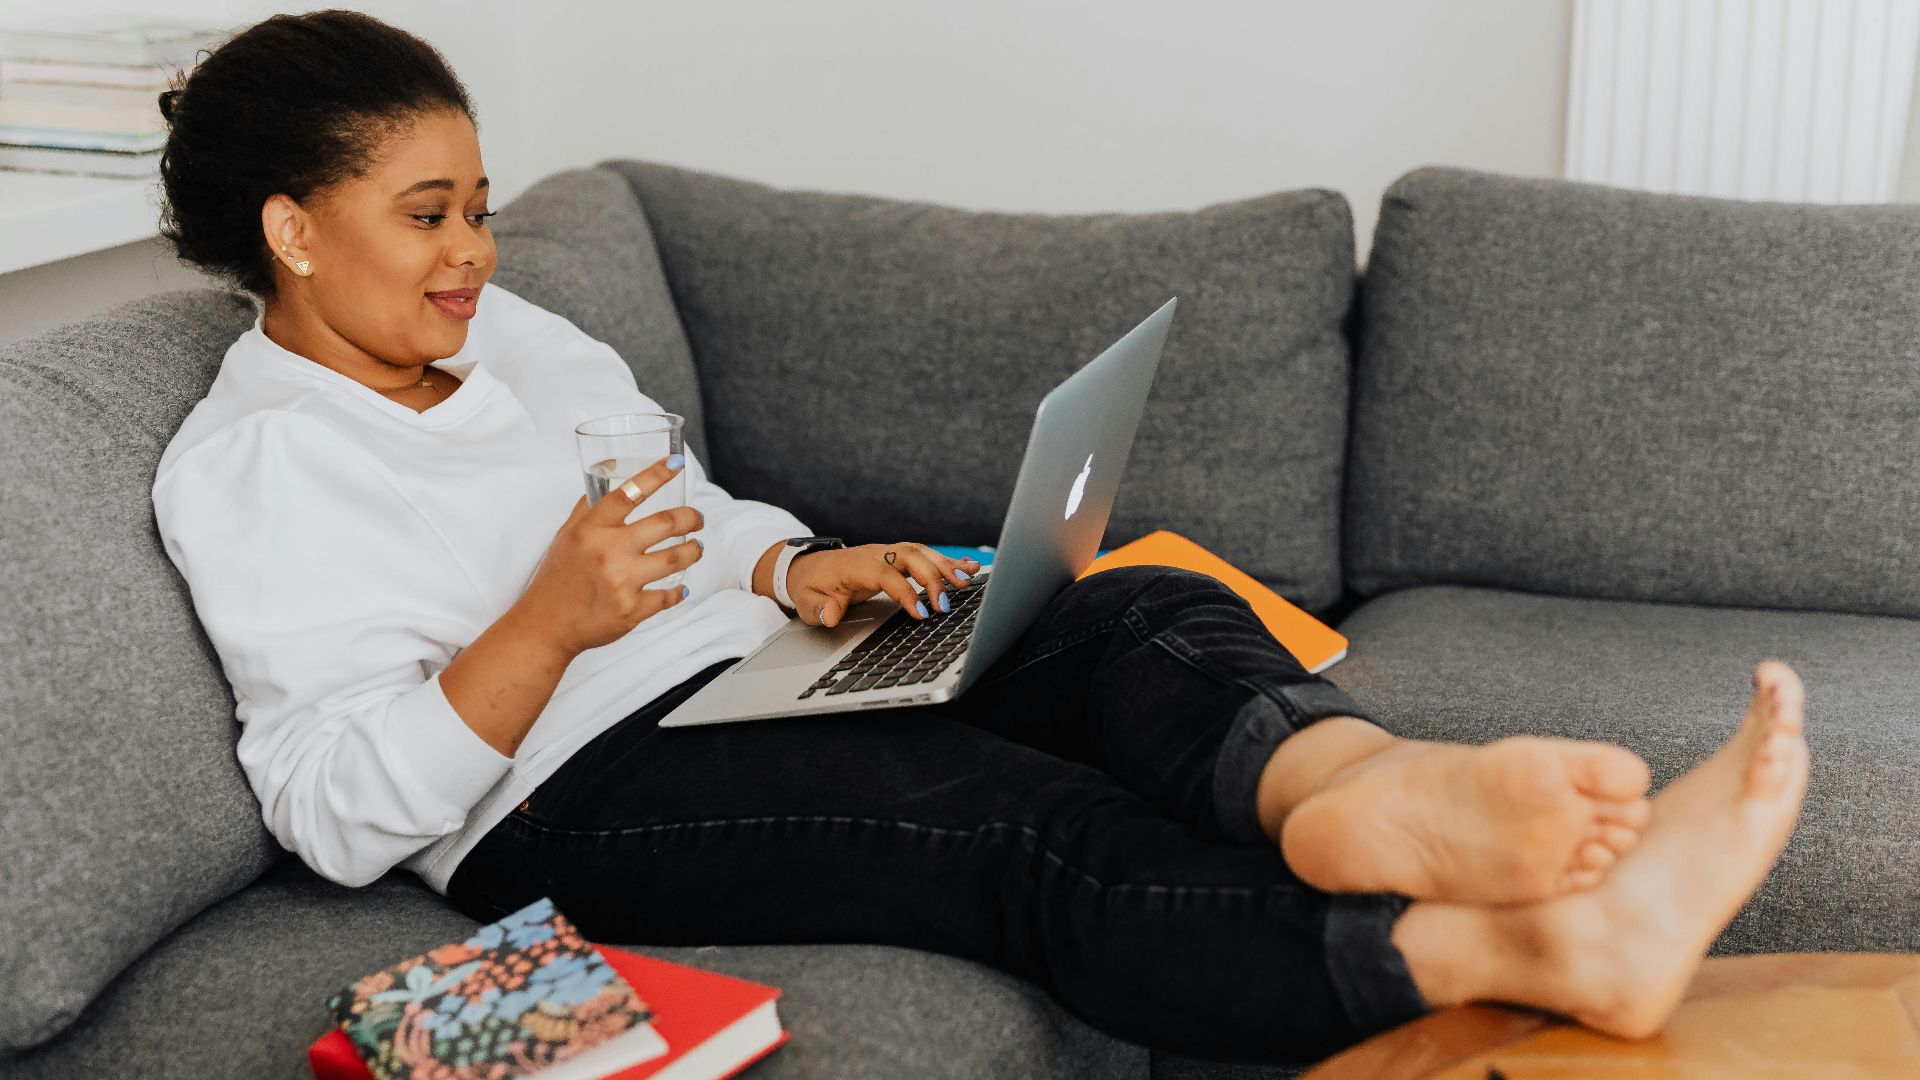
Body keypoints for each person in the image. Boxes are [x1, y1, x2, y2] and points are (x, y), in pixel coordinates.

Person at [149, 10, 1811, 1067]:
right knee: (1014, 825)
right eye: (425, 215)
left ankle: (1367, 793)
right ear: (293, 230)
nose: (473, 255)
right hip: (571, 791)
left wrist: (790, 570)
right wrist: (543, 631)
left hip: (752, 663)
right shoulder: (252, 469)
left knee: (1131, 603)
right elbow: (335, 813)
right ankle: (1543, 943)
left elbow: (684, 515)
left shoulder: (519, 341)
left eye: (481, 206)